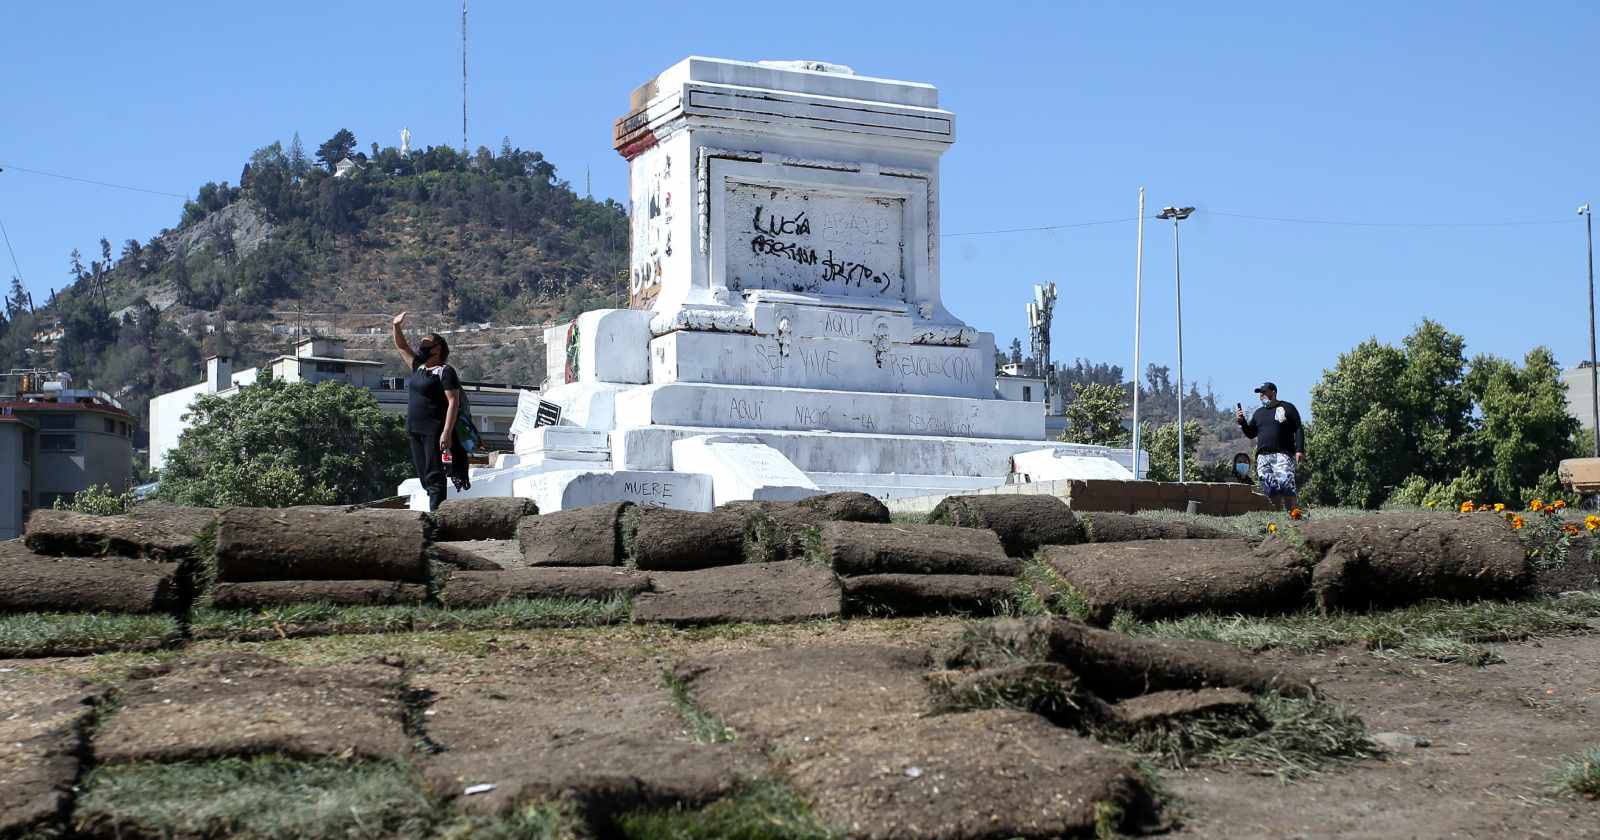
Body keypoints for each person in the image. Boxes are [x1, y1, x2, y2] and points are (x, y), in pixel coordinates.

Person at [392, 312, 466, 511]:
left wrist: (446, 432)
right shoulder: (419, 367)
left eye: (426, 345)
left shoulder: (445, 371)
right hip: (414, 430)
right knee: (424, 477)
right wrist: (396, 326)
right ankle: (436, 510)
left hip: (433, 431)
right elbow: (401, 346)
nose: (421, 348)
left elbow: (453, 402)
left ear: (437, 349)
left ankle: (437, 517)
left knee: (434, 476)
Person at [1236, 381, 1305, 510]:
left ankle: (1294, 513)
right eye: (1260, 393)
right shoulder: (1258, 413)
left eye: (1264, 392)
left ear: (1273, 392)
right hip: (1263, 457)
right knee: (1269, 488)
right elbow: (1251, 434)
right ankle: (1277, 514)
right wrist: (1243, 422)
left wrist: (1299, 449)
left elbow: (1298, 428)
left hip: (1282, 454)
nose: (1261, 395)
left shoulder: (1287, 407)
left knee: (1286, 484)